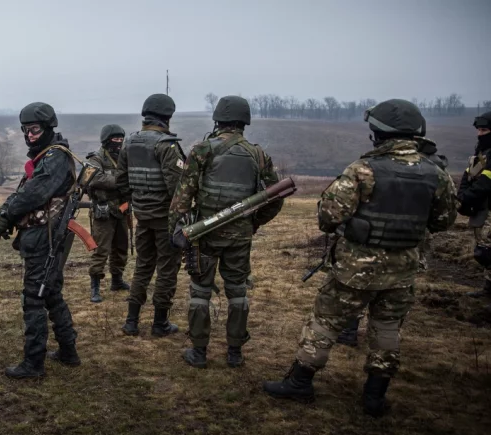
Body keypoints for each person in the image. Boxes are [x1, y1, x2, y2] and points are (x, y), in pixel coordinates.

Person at [263, 99, 457, 417]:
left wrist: (358, 226)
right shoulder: (435, 173)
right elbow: (443, 221)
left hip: (356, 269)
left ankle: (300, 383)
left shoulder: (364, 170)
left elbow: (328, 216)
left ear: (378, 134)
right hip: (403, 269)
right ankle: (374, 397)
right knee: (387, 328)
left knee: (325, 322)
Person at [169, 96, 283, 368]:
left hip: (204, 235)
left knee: (199, 292)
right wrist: (253, 224)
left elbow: (183, 197)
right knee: (238, 292)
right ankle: (235, 353)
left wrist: (177, 228)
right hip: (240, 238)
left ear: (217, 120)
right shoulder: (258, 155)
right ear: (244, 122)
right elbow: (275, 197)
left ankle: (198, 352)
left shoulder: (202, 150)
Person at [337, 135, 449, 347]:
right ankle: (380, 355)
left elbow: (332, 214)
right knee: (393, 299)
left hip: (371, 248)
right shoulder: (433, 171)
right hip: (407, 249)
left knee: (359, 288)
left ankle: (351, 332)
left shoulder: (372, 168)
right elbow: (443, 220)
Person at [0, 102, 81, 378]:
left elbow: (34, 194)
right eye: (25, 130)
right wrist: (6, 210)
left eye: (34, 129)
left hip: (45, 238)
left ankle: (34, 363)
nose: (29, 135)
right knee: (52, 292)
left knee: (34, 299)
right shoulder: (46, 155)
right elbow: (27, 189)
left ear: (48, 127)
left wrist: (7, 213)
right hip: (42, 236)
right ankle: (68, 351)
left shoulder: (55, 157)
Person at [115, 94, 184, 337]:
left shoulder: (129, 142)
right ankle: (159, 323)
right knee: (167, 268)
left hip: (142, 216)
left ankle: (131, 322)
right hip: (165, 219)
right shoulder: (167, 145)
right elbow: (178, 187)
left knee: (142, 267)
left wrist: (137, 202)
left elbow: (121, 181)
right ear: (167, 117)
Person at [86, 124, 131, 303]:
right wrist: (121, 181)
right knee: (101, 249)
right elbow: (92, 178)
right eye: (115, 139)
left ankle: (117, 281)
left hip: (122, 210)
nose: (119, 143)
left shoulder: (124, 157)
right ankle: (95, 286)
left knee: (121, 248)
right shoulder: (95, 159)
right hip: (103, 211)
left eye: (121, 139)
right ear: (106, 140)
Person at [457, 111, 491, 299]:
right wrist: (462, 197)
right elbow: (467, 176)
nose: (480, 134)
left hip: (486, 209)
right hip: (481, 211)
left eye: (484, 130)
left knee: (486, 252)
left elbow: (485, 184)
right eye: (478, 130)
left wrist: (466, 198)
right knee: (484, 252)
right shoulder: (482, 154)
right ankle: (488, 288)